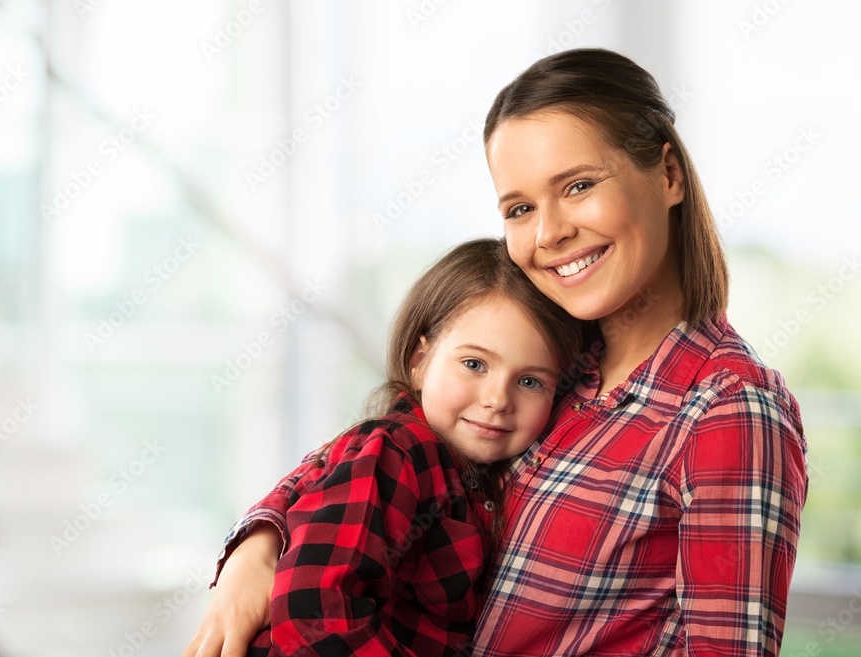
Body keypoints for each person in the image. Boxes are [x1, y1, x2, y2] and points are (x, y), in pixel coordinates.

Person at [184, 48, 808, 657]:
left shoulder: (728, 409)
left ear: (669, 174)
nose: (549, 232)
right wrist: (260, 546)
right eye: (520, 208)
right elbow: (374, 450)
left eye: (580, 185)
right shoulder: (554, 360)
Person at [229, 238, 581, 657]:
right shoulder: (395, 451)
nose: (498, 399)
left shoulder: (480, 476)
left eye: (530, 381)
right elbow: (315, 612)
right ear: (419, 360)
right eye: (474, 364)